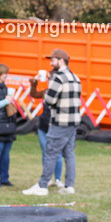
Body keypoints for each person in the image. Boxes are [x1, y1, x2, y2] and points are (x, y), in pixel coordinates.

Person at [23, 49, 81, 196]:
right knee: (69, 154)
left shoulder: (58, 78)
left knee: (51, 153)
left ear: (61, 61)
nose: (50, 63)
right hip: (73, 122)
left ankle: (42, 186)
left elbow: (49, 100)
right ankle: (69, 186)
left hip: (60, 122)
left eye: (53, 60)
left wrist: (46, 91)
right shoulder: (75, 77)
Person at [36, 91, 64, 189]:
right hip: (43, 126)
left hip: (56, 127)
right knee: (45, 153)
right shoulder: (46, 91)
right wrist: (34, 85)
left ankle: (57, 179)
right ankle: (47, 179)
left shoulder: (62, 93)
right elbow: (34, 94)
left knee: (58, 154)